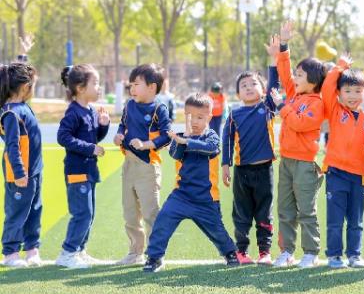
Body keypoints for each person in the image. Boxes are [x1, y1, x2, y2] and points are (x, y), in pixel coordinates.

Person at [143, 93, 239, 272]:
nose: (194, 121)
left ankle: (230, 252)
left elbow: (212, 148)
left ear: (209, 117)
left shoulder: (212, 137)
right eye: (190, 116)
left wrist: (187, 141)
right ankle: (154, 257)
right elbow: (174, 154)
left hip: (206, 199)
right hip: (181, 196)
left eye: (200, 117)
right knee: (163, 221)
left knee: (216, 230)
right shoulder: (180, 137)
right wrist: (182, 140)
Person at [270, 21, 326, 268]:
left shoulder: (317, 102)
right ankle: (286, 251)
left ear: (313, 80)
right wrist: (284, 45)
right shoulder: (295, 94)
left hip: (305, 163)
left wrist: (282, 107)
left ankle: (311, 252)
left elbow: (300, 124)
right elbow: (284, 71)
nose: (294, 77)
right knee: (285, 209)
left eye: (300, 75)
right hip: (287, 160)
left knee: (306, 210)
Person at [221, 35, 281, 265]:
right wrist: (225, 165)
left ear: (263, 89)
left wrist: (273, 61)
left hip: (264, 170)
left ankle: (265, 252)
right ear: (237, 94)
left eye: (253, 83)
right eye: (243, 86)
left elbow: (275, 85)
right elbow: (226, 141)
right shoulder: (234, 114)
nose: (248, 87)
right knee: (242, 213)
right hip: (242, 172)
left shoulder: (267, 107)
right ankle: (241, 251)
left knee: (265, 213)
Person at [320, 55, 364, 269]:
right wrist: (341, 66)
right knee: (335, 220)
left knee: (356, 221)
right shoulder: (335, 111)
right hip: (336, 173)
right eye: (347, 91)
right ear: (339, 93)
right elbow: (327, 86)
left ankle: (354, 255)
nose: (353, 96)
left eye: (357, 91)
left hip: (358, 176)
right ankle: (334, 256)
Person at [114, 64, 171, 265]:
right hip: (128, 164)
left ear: (152, 87)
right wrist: (119, 135)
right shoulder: (129, 105)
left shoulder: (159, 108)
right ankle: (135, 252)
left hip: (148, 166)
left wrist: (147, 144)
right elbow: (123, 124)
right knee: (130, 212)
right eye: (131, 85)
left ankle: (156, 254)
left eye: (136, 84)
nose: (132, 88)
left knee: (150, 213)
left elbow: (167, 136)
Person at [55, 64, 110, 268]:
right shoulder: (73, 112)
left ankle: (80, 250)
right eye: (95, 83)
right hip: (77, 171)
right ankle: (67, 253)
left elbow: (95, 138)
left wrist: (103, 125)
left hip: (89, 171)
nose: (99, 87)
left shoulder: (91, 110)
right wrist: (90, 148)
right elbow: (63, 137)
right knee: (82, 213)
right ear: (80, 88)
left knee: (90, 213)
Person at [0, 35, 43, 267]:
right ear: (25, 88)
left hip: (33, 171)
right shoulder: (11, 113)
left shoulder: (22, 106)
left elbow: (15, 74)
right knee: (17, 211)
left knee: (34, 210)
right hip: (20, 174)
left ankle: (32, 248)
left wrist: (23, 55)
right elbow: (13, 147)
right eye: (32, 84)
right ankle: (10, 253)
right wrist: (19, 173)